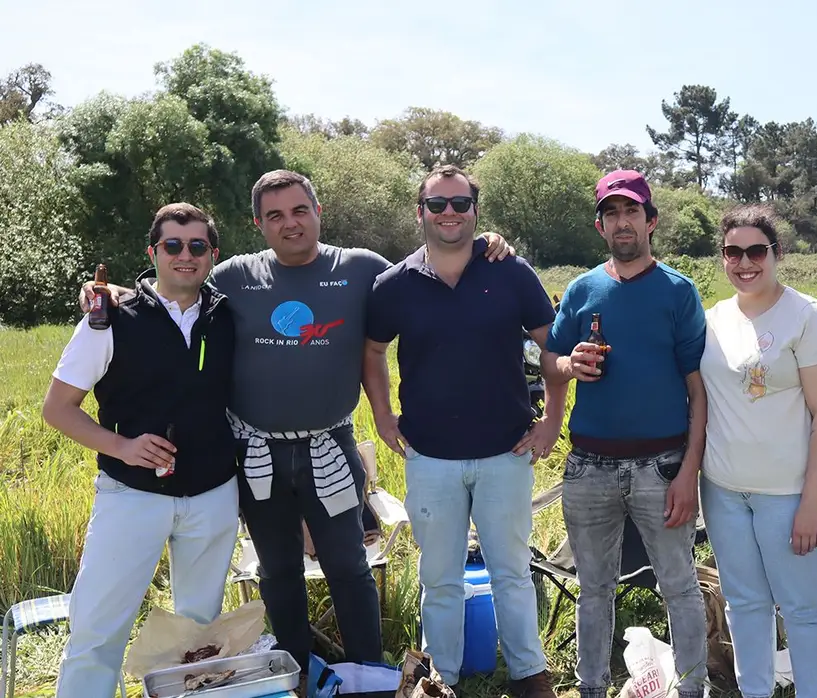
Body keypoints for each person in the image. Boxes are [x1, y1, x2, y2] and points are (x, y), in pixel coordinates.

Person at [79, 169, 516, 682]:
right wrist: (103, 293)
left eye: (300, 210)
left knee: (349, 568)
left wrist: (481, 242)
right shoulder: (235, 275)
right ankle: (293, 676)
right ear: (258, 223)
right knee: (278, 571)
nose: (290, 224)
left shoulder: (361, 269)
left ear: (318, 212)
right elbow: (174, 281)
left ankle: (367, 677)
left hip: (330, 446)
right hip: (255, 453)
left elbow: (426, 270)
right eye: (276, 215)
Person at [362, 164, 566, 697]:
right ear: (420, 212)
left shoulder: (510, 271)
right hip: (429, 456)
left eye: (460, 204)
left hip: (506, 450)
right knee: (440, 578)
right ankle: (440, 679)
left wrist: (552, 420)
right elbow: (373, 351)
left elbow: (552, 348)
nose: (448, 214)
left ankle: (530, 674)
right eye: (437, 205)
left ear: (476, 210)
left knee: (512, 572)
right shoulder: (394, 283)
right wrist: (382, 417)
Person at [45, 203, 240, 698]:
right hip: (130, 495)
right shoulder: (108, 319)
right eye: (172, 245)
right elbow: (58, 408)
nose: (185, 256)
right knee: (97, 628)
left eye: (197, 246)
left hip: (213, 494)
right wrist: (122, 447)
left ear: (213, 254)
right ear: (152, 252)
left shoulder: (225, 316)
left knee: (197, 634)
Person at [540, 169, 709, 698]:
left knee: (679, 587)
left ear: (650, 220)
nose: (622, 221)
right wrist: (570, 365)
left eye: (631, 211)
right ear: (600, 225)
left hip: (661, 465)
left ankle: (691, 688)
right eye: (611, 213)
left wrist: (689, 473)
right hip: (589, 465)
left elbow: (699, 392)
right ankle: (590, 688)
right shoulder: (582, 289)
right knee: (594, 590)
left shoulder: (678, 292)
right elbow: (550, 361)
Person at [698, 203, 817, 698]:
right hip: (722, 491)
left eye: (756, 251)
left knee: (803, 607)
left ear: (776, 253)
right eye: (733, 252)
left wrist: (812, 502)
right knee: (743, 604)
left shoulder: (808, 317)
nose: (745, 262)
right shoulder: (713, 319)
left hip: (789, 494)